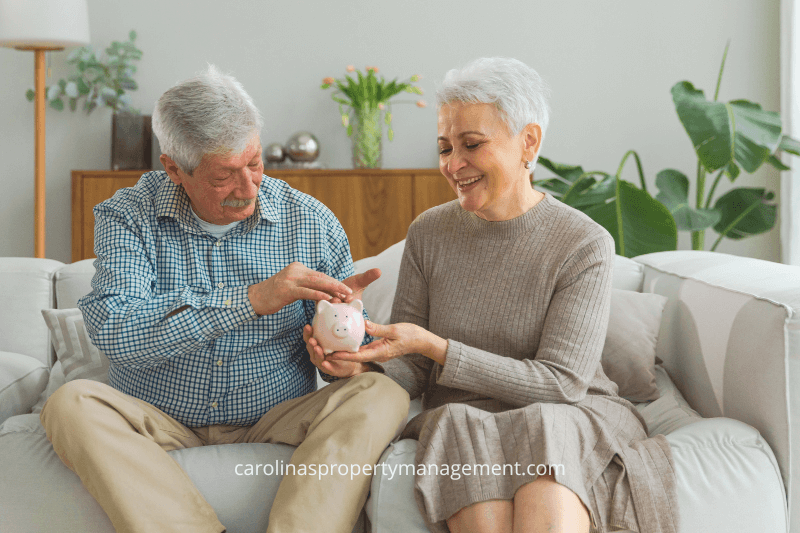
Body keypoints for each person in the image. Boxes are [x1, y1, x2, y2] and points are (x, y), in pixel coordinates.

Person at [307, 57, 679, 533]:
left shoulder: (583, 243)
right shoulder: (430, 232)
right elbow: (414, 370)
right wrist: (360, 363)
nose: (452, 164)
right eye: (444, 147)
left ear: (529, 141)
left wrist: (435, 346)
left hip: (570, 413)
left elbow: (561, 385)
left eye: (471, 145)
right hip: (468, 415)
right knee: (457, 424)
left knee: (545, 425)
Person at [39, 65, 410, 533]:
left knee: (381, 392)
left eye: (254, 163)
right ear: (173, 167)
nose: (249, 187)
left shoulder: (310, 222)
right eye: (224, 177)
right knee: (69, 403)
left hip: (274, 414)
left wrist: (342, 355)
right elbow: (120, 330)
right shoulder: (127, 217)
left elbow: (342, 347)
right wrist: (251, 299)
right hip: (158, 418)